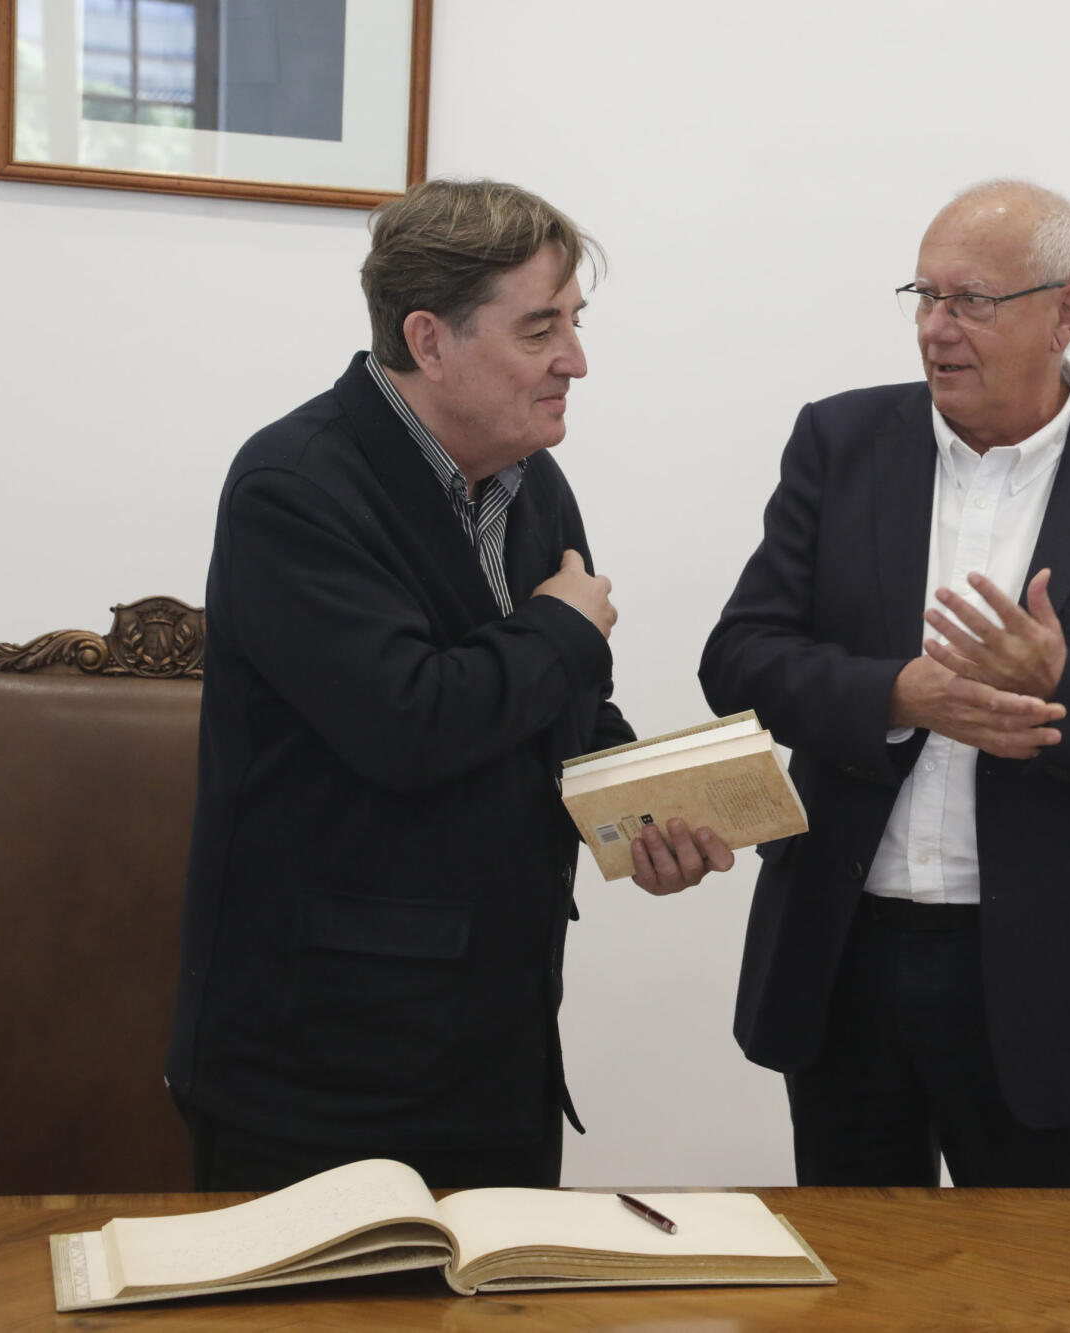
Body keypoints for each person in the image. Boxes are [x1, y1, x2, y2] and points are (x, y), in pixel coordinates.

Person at [167, 179, 733, 1191]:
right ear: (428, 341)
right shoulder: (293, 486)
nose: (576, 360)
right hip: (319, 1074)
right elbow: (409, 721)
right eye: (540, 330)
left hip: (500, 1056)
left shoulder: (532, 478)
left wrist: (640, 817)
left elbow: (561, 704)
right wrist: (563, 626)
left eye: (575, 323)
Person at [699, 180, 1070, 1187]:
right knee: (856, 1268)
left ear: (1065, 314)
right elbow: (738, 654)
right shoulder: (841, 444)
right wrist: (897, 696)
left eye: (971, 301)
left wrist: (1061, 686)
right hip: (845, 958)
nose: (935, 328)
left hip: (1049, 980)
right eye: (924, 296)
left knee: (1049, 1273)